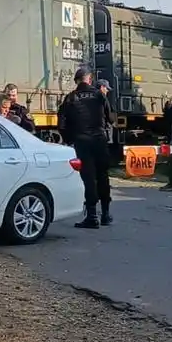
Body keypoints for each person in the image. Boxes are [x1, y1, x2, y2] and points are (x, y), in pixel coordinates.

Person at [58, 67, 116, 228]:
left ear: (76, 81)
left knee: (88, 178)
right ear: (89, 80)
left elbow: (61, 123)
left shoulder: (71, 98)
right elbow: (111, 118)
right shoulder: (99, 95)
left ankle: (92, 216)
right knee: (103, 176)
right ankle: (106, 214)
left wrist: (69, 139)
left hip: (82, 141)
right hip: (100, 140)